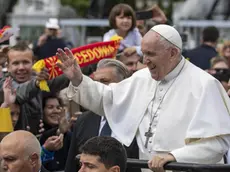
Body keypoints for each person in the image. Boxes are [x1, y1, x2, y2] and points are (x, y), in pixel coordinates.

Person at [56, 24, 230, 172]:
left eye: (151, 54)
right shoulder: (142, 78)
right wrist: (78, 78)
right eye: (143, 53)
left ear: (173, 53)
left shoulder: (205, 85)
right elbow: (108, 99)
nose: (145, 60)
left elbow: (217, 144)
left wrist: (173, 156)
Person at [65, 59, 139, 172]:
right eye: (95, 82)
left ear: (124, 84)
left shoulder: (140, 119)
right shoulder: (84, 120)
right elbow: (72, 165)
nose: (97, 87)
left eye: (104, 81)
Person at [0, 42, 69, 135]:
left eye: (25, 62)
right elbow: (19, 94)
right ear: (8, 67)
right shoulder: (4, 85)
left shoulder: (38, 81)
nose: (21, 67)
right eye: (16, 63)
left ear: (33, 63)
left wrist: (75, 71)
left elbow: (60, 80)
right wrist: (37, 83)